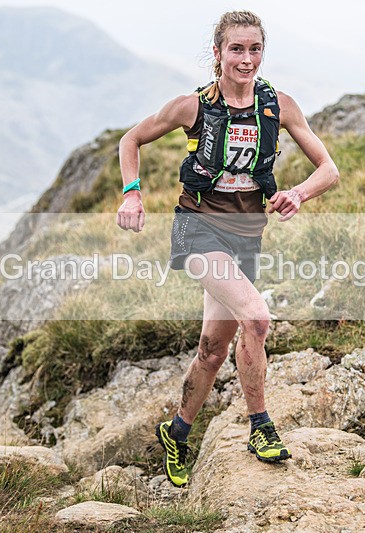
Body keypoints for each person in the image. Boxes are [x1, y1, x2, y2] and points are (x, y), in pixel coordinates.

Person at [116, 10, 339, 487]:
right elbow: (131, 139)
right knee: (256, 318)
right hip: (197, 229)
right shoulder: (191, 107)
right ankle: (260, 426)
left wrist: (298, 192)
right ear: (216, 53)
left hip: (246, 234)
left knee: (213, 349)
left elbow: (329, 169)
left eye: (254, 49)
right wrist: (132, 191)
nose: (246, 58)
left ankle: (176, 432)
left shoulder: (278, 106)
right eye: (236, 49)